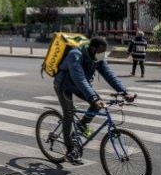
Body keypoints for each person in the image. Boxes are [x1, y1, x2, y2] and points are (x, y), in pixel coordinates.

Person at [54, 37, 134, 165]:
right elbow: (79, 77)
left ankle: (80, 127)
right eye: (101, 51)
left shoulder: (97, 58)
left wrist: (125, 92)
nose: (103, 54)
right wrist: (93, 97)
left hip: (79, 86)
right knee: (68, 115)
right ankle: (69, 151)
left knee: (97, 105)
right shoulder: (75, 55)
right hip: (64, 85)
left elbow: (109, 74)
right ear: (93, 48)